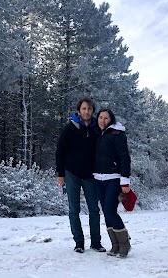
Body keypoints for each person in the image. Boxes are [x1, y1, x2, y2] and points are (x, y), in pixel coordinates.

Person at [56, 98, 106, 253]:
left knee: (94, 210)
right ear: (79, 111)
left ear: (92, 111)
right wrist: (60, 174)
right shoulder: (69, 128)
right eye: (84, 109)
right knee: (73, 210)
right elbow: (60, 152)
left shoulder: (96, 129)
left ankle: (96, 242)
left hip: (91, 175)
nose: (86, 111)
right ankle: (79, 243)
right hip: (72, 174)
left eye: (89, 109)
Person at [93, 108, 132, 258]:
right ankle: (115, 245)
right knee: (106, 212)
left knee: (110, 211)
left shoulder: (117, 134)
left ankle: (125, 244)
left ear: (111, 120)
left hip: (114, 179)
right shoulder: (96, 134)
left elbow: (125, 157)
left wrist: (125, 181)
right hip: (98, 179)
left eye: (106, 118)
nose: (102, 121)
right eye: (100, 118)